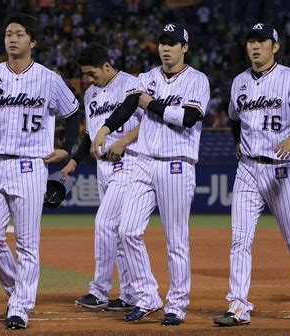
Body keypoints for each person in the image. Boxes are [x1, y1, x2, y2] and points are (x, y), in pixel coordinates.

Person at [0, 13, 79, 330]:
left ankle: (20, 306)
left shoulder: (49, 79)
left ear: (32, 41)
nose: (12, 39)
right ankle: (17, 291)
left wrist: (68, 147)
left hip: (30, 165)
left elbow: (73, 113)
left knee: (27, 243)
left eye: (20, 34)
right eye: (9, 33)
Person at [91, 23, 210, 326]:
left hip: (176, 164)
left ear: (185, 48)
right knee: (126, 230)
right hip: (142, 162)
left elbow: (188, 117)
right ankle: (147, 296)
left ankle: (177, 305)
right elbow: (129, 106)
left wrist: (152, 105)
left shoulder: (197, 80)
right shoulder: (146, 78)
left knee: (176, 241)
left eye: (172, 43)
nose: (165, 48)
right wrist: (105, 129)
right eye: (162, 43)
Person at [213, 23, 290, 327]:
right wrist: (237, 142)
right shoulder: (239, 82)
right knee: (239, 239)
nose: (255, 46)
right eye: (251, 40)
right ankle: (237, 306)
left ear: (274, 46)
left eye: (262, 41)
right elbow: (234, 118)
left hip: (282, 170)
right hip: (248, 168)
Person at [61, 43, 141, 311]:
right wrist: (74, 160)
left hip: (128, 163)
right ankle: (130, 294)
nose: (88, 79)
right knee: (116, 233)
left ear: (107, 66)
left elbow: (148, 122)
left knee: (105, 224)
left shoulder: (131, 84)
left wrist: (125, 141)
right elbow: (90, 134)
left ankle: (99, 290)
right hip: (103, 167)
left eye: (92, 73)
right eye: (85, 74)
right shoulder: (91, 93)